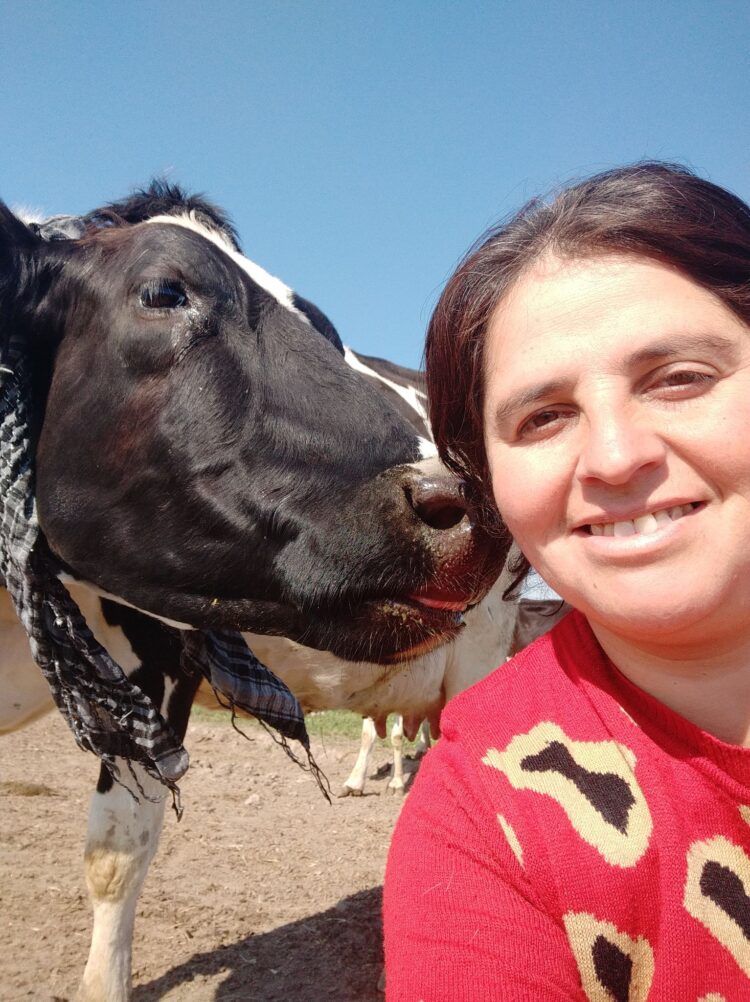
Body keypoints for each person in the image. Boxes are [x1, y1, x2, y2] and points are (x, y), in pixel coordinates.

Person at [383, 162, 750, 1000]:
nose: (618, 456)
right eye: (542, 416)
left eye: (681, 377)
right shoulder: (485, 824)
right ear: (491, 485)